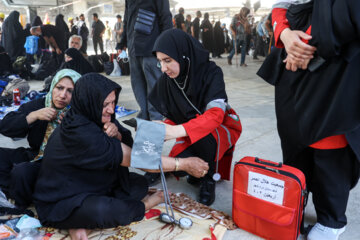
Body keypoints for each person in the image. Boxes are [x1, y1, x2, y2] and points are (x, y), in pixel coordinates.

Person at [32, 73, 209, 239]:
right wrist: (183, 164)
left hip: (90, 183)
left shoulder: (93, 114)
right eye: (105, 104)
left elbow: (128, 142)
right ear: (90, 101)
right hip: (63, 200)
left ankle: (82, 221)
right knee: (104, 210)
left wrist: (118, 134)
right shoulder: (81, 133)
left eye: (113, 102)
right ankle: (82, 220)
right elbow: (137, 158)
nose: (110, 110)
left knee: (138, 185)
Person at [257, 1, 360, 239]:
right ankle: (295, 201)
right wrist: (285, 34)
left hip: (334, 57)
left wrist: (306, 45)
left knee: (328, 139)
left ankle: (331, 219)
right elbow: (281, 4)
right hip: (293, 49)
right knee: (293, 135)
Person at [147, 29, 242, 206]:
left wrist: (175, 130)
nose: (163, 68)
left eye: (168, 60)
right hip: (188, 129)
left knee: (206, 136)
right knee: (181, 170)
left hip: (218, 128)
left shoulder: (210, 72)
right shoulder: (168, 80)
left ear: (183, 55)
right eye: (160, 61)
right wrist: (162, 126)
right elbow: (174, 115)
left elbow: (216, 115)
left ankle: (209, 178)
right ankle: (165, 167)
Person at [0, 69, 81, 207]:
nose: (62, 95)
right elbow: (5, 126)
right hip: (36, 156)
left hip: (65, 167)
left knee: (22, 172)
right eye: (59, 88)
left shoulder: (81, 111)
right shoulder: (41, 105)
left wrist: (74, 128)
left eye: (70, 91)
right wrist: (33, 116)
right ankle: (31, 190)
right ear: (53, 86)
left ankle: (26, 191)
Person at [119, 0, 173, 120]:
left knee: (154, 85)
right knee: (137, 85)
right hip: (133, 48)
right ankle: (145, 115)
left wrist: (166, 44)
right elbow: (127, 19)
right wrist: (122, 42)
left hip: (152, 49)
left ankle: (156, 119)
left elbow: (165, 17)